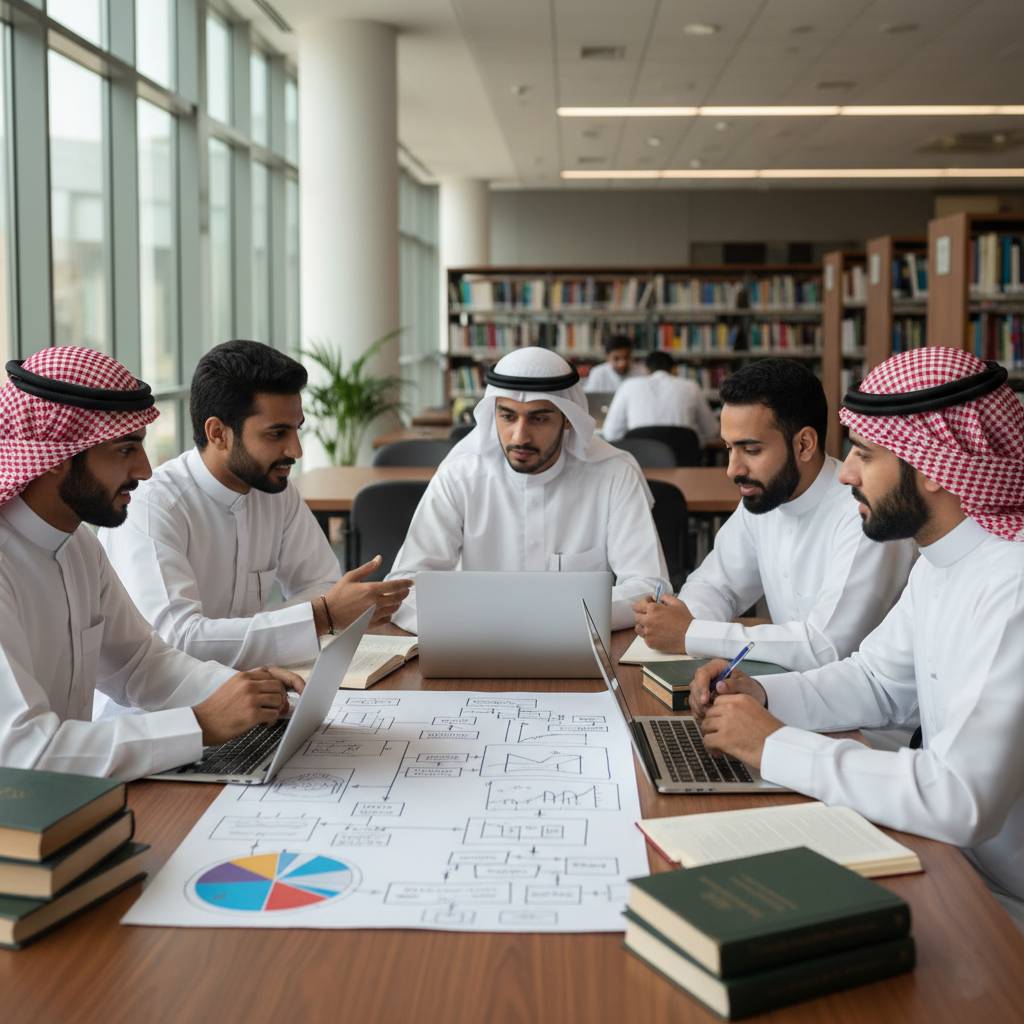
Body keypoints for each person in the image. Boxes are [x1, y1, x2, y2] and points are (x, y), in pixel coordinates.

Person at [689, 348, 1024, 925]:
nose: (844, 473)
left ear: (937, 468)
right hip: (951, 862)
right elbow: (877, 679)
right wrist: (764, 697)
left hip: (1002, 901)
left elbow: (959, 797)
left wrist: (772, 744)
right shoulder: (944, 559)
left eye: (865, 456)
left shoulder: (1012, 583)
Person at [0, 346, 305, 779]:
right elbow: (22, 752)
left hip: (68, 800)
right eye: (126, 450)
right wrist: (199, 724)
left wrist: (238, 691)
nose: (145, 471)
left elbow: (140, 662)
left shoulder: (77, 545)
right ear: (56, 457)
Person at [101, 340, 411, 671]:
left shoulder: (276, 491)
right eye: (277, 434)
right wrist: (319, 617)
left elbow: (321, 585)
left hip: (257, 690)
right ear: (218, 433)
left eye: (296, 430)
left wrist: (306, 619)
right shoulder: (152, 506)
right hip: (160, 716)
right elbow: (178, 640)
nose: (296, 450)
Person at [634, 358, 915, 671]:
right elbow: (717, 585)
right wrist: (679, 617)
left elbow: (827, 648)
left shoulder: (864, 513)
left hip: (860, 715)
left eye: (751, 450)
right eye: (729, 448)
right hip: (786, 692)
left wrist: (691, 633)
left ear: (804, 444)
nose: (732, 470)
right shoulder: (765, 496)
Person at [385, 346, 669, 632]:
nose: (520, 436)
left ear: (568, 418)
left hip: (582, 649)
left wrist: (547, 616)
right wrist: (481, 622)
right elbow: (402, 589)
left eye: (539, 418)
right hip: (479, 644)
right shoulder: (461, 475)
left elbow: (650, 588)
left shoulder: (614, 475)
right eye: (507, 416)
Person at [601, 350, 719, 444]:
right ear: (674, 369)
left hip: (641, 464)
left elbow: (610, 433)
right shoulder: (691, 387)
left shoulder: (628, 386)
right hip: (684, 465)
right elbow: (712, 431)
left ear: (646, 370)